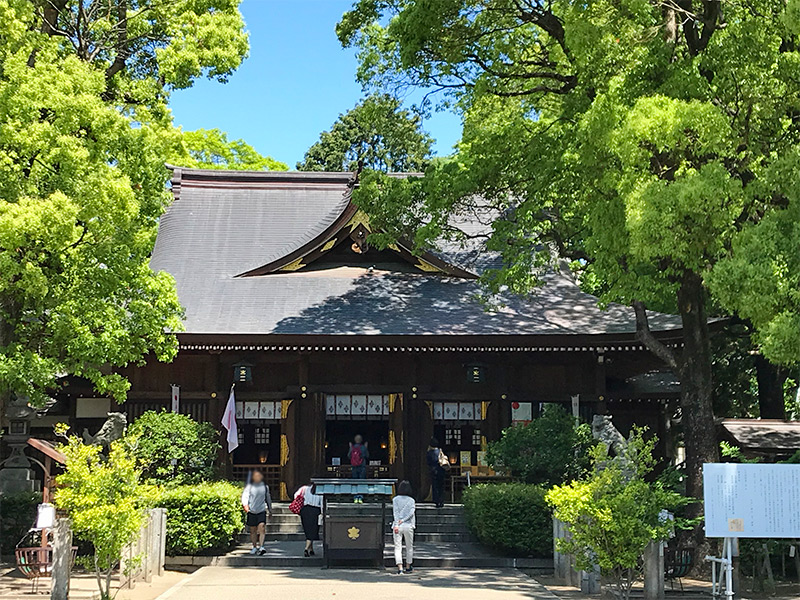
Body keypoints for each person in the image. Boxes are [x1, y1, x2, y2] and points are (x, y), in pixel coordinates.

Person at [241, 470, 273, 555]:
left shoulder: (265, 487)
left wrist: (270, 509)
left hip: (261, 509)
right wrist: (245, 505)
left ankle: (261, 546)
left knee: (262, 527)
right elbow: (245, 496)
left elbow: (268, 498)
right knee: (253, 530)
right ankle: (254, 546)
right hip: (252, 510)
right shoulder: (249, 487)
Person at [392, 480, 416, 575]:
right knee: (409, 547)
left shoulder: (395, 499)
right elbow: (411, 512)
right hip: (408, 525)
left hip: (398, 525)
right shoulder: (411, 500)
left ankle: (400, 568)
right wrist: (404, 519)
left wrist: (398, 523)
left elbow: (395, 512)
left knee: (398, 547)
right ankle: (408, 566)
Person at [295, 481, 323, 557]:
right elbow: (322, 503)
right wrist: (322, 513)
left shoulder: (304, 488)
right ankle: (306, 548)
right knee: (313, 530)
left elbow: (296, 495)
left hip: (305, 510)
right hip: (315, 510)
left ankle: (311, 549)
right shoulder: (320, 490)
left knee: (307, 530)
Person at [426, 437, 447, 508]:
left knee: (435, 486)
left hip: (434, 470)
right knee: (441, 486)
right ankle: (441, 501)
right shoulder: (440, 451)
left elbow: (428, 462)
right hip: (441, 470)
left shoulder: (429, 453)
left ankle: (436, 501)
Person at [348, 434, 369, 503]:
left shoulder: (352, 447)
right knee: (361, 481)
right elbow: (367, 455)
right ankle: (360, 497)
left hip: (354, 467)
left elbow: (349, 456)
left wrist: (350, 448)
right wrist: (366, 448)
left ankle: (355, 497)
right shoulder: (363, 447)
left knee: (354, 481)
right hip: (362, 466)